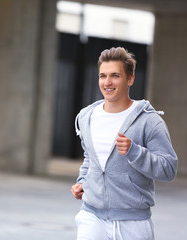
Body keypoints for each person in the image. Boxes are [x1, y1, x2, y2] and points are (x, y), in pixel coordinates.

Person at [71, 47, 178, 240]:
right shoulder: (87, 117)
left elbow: (169, 168)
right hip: (91, 217)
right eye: (102, 76)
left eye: (115, 75)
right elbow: (90, 159)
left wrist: (135, 152)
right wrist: (82, 182)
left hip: (133, 222)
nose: (107, 82)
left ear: (130, 79)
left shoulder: (149, 121)